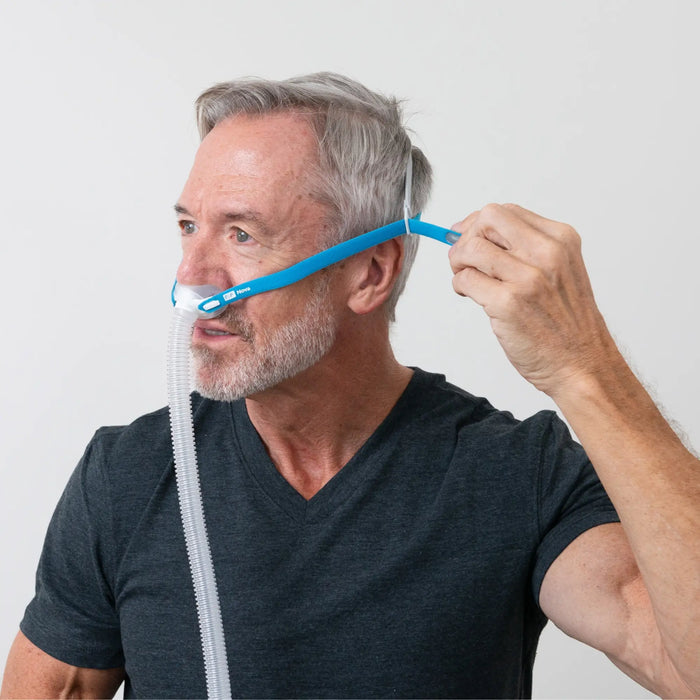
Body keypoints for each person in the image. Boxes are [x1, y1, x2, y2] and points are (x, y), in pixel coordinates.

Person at [2, 72, 698, 699]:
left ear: (369, 272)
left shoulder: (518, 475)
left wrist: (585, 368)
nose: (193, 276)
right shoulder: (129, 477)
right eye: (189, 226)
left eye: (242, 235)